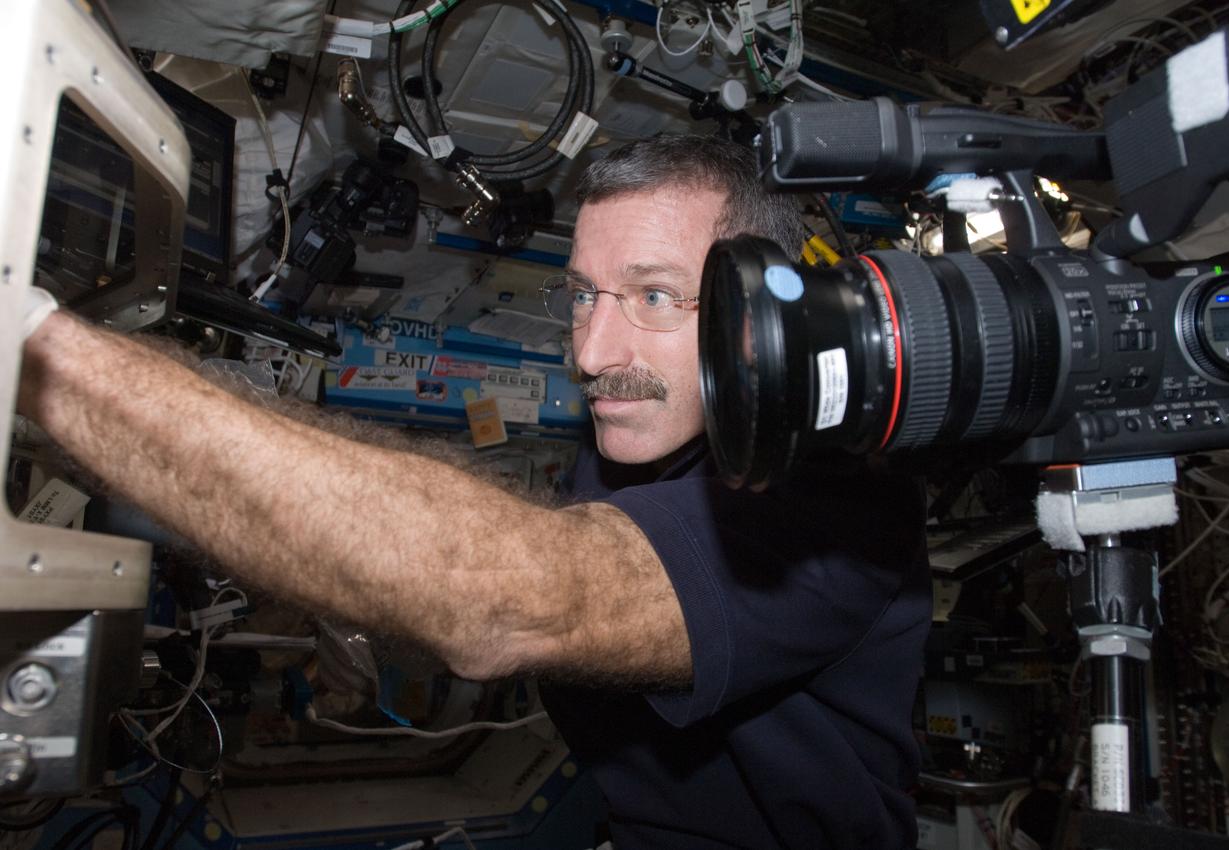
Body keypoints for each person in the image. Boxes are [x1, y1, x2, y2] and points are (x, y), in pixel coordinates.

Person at [18, 134, 930, 849]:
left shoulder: (834, 499)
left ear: (761, 313)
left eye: (653, 297)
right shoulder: (625, 446)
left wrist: (38, 351)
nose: (591, 354)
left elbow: (513, 599)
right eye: (581, 297)